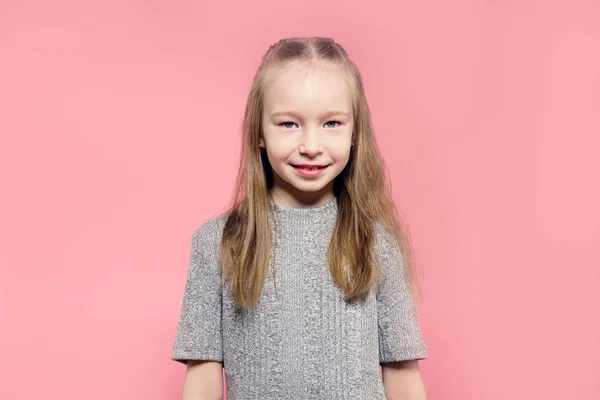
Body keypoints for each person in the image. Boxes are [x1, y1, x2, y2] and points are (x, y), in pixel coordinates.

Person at [171, 36, 428, 400]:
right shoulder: (217, 242)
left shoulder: (377, 241)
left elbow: (403, 375)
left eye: (332, 124)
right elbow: (202, 376)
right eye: (289, 124)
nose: (310, 145)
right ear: (259, 133)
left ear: (356, 133)